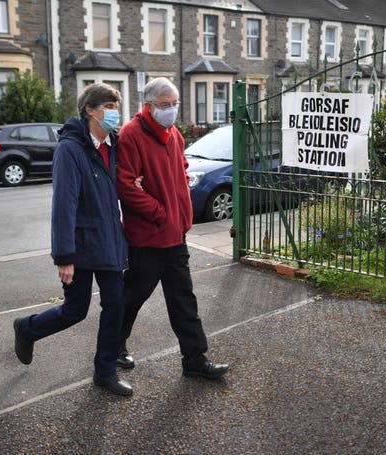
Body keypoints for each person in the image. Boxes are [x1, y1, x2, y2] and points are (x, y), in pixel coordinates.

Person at [13, 83, 132, 396]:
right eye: (108, 106)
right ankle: (28, 328)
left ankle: (104, 371)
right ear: (89, 110)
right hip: (79, 247)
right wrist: (64, 256)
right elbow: (63, 204)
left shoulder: (114, 145)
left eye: (117, 105)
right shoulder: (70, 149)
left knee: (115, 305)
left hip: (109, 241)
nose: (114, 112)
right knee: (75, 310)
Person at [116, 77, 229, 379]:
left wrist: (182, 214)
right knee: (134, 296)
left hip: (175, 234)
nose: (171, 110)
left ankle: (194, 360)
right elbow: (126, 186)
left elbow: (180, 169)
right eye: (165, 105)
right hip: (148, 238)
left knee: (183, 299)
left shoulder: (174, 134)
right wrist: (161, 213)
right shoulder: (131, 135)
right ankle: (113, 345)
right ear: (148, 106)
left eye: (175, 104)